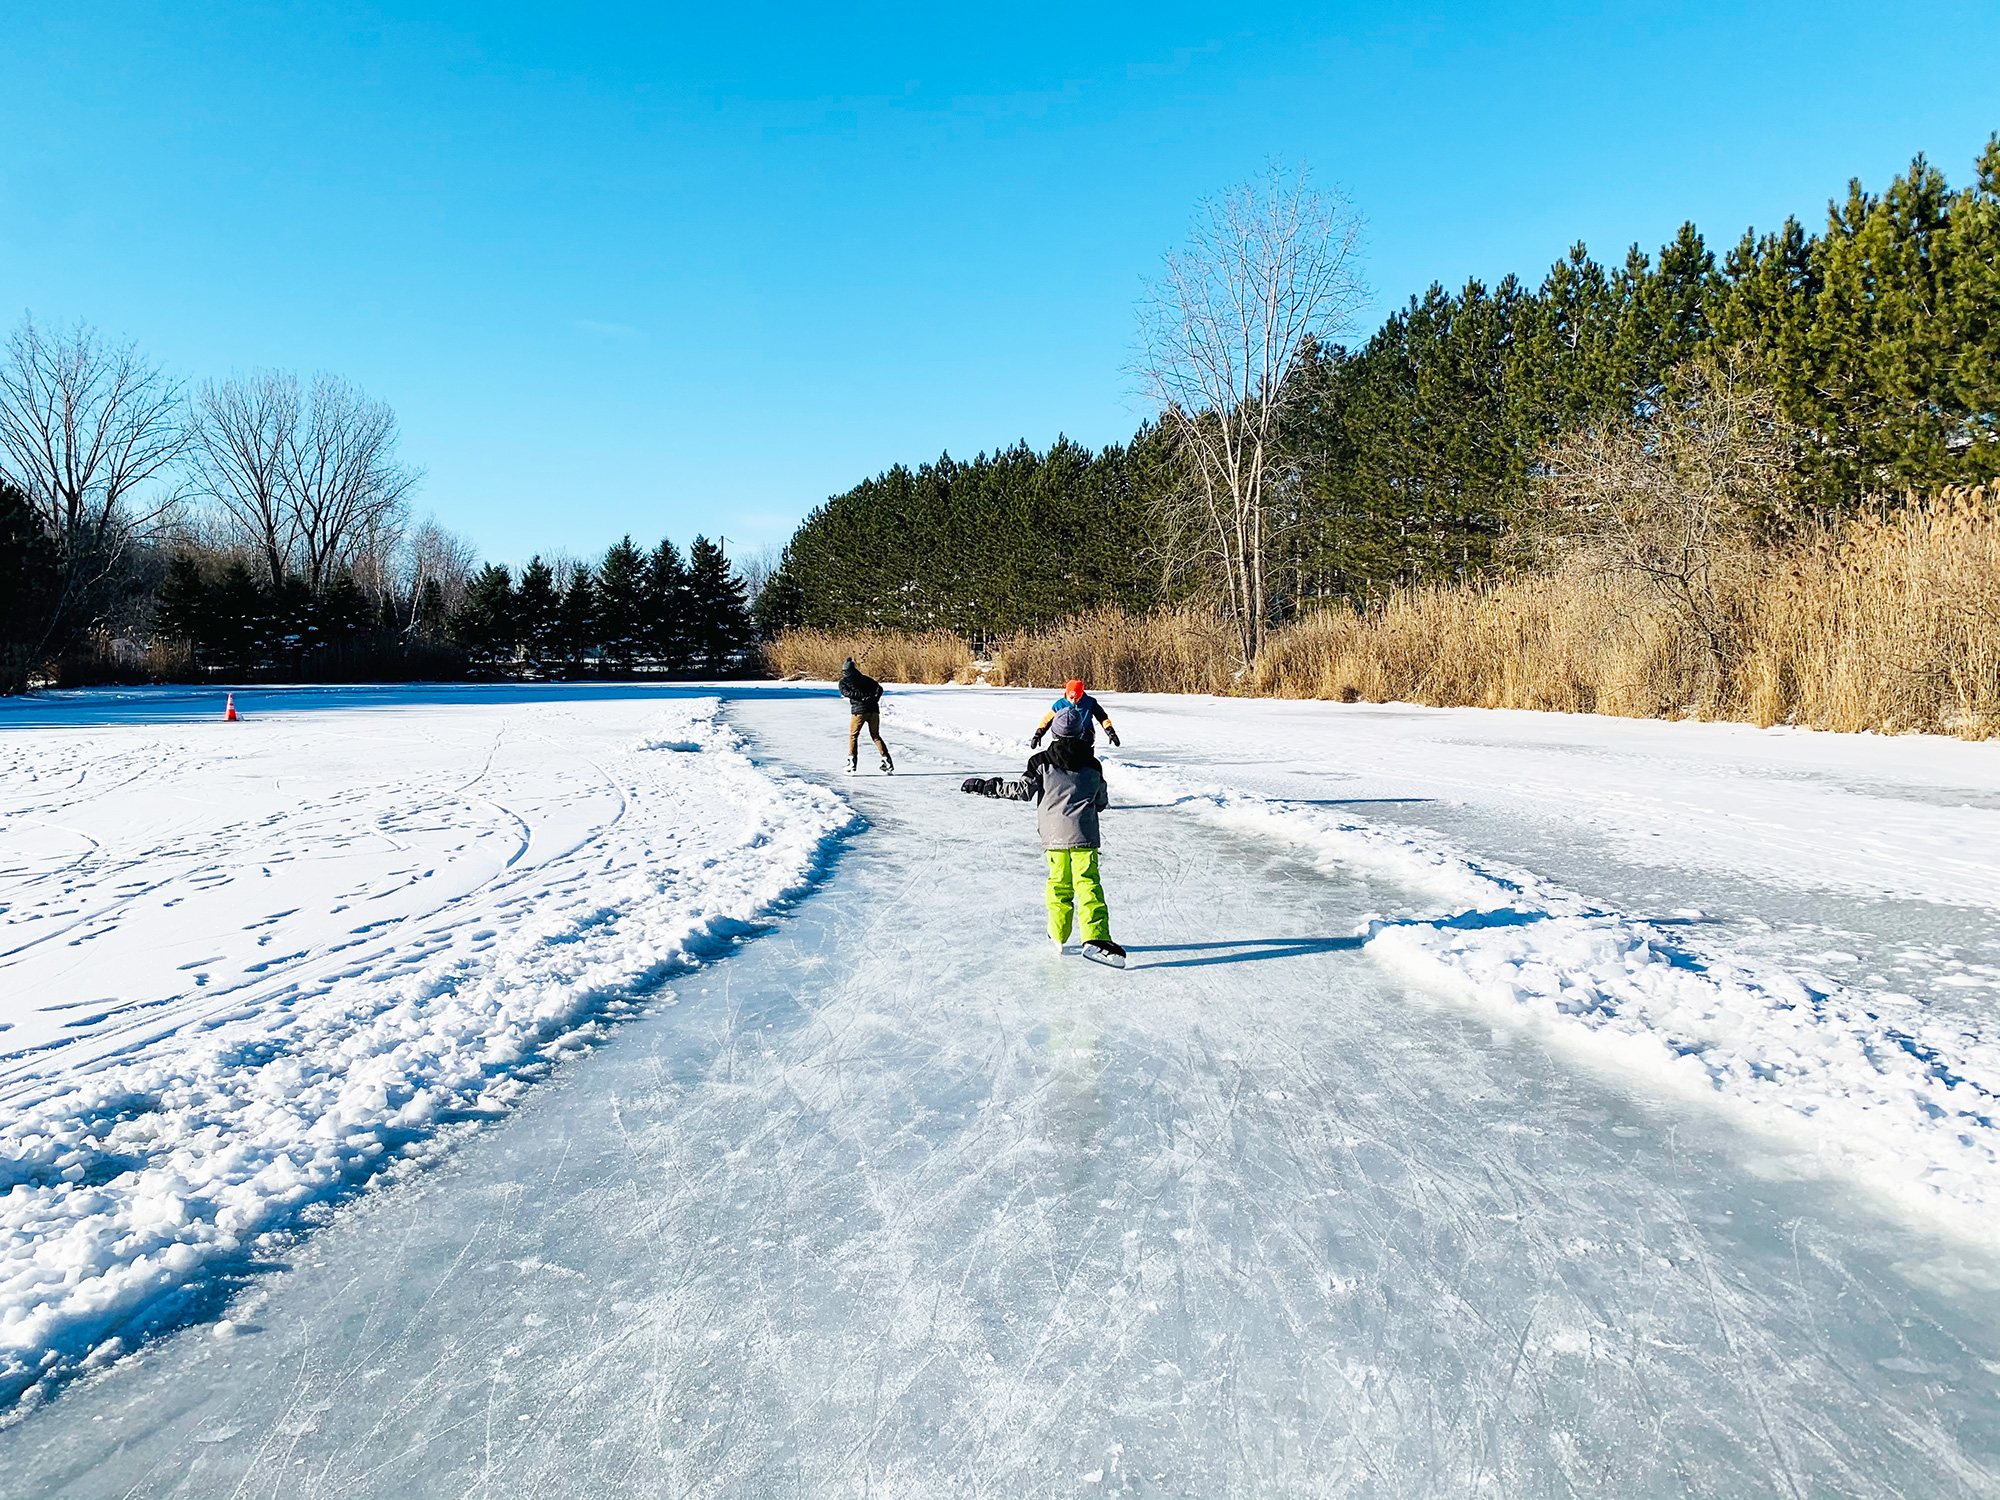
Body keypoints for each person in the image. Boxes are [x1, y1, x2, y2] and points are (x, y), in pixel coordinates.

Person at [962, 733, 1125, 967]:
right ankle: (1095, 936)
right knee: (1088, 884)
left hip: (1054, 836)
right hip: (1084, 835)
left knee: (1059, 883)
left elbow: (1022, 790)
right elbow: (1101, 800)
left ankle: (1058, 934)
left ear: (1056, 734)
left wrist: (989, 786)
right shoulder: (1093, 764)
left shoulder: (1040, 761)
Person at [838, 657, 894, 774]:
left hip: (859, 712)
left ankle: (852, 762)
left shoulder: (843, 682)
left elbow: (846, 693)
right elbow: (879, 689)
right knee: (876, 736)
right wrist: (874, 698)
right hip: (873, 710)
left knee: (854, 736)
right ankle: (887, 760)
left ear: (844, 671)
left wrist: (861, 697)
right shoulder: (866, 679)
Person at [1030, 679, 1121, 750]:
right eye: (1071, 697)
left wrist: (1111, 733)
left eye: (1077, 698)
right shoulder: (1059, 705)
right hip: (1065, 736)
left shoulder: (1090, 703)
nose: (1074, 701)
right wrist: (1038, 735)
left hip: (1086, 735)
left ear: (1082, 694)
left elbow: (1103, 718)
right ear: (1066, 693)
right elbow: (1047, 720)